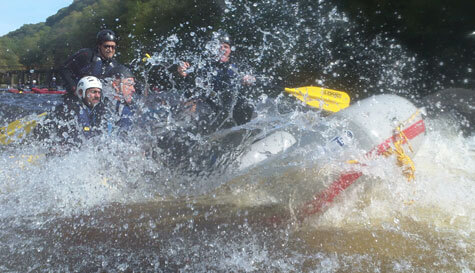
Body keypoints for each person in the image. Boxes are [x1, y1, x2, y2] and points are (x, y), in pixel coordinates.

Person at [33, 76, 107, 147]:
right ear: (81, 92)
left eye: (99, 92)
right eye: (93, 92)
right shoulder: (68, 109)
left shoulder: (100, 110)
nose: (97, 96)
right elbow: (41, 130)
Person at [59, 29, 121, 97]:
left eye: (113, 47)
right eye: (106, 46)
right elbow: (63, 69)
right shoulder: (86, 54)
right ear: (99, 46)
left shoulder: (114, 64)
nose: (110, 50)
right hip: (77, 95)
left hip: (96, 97)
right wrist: (73, 88)